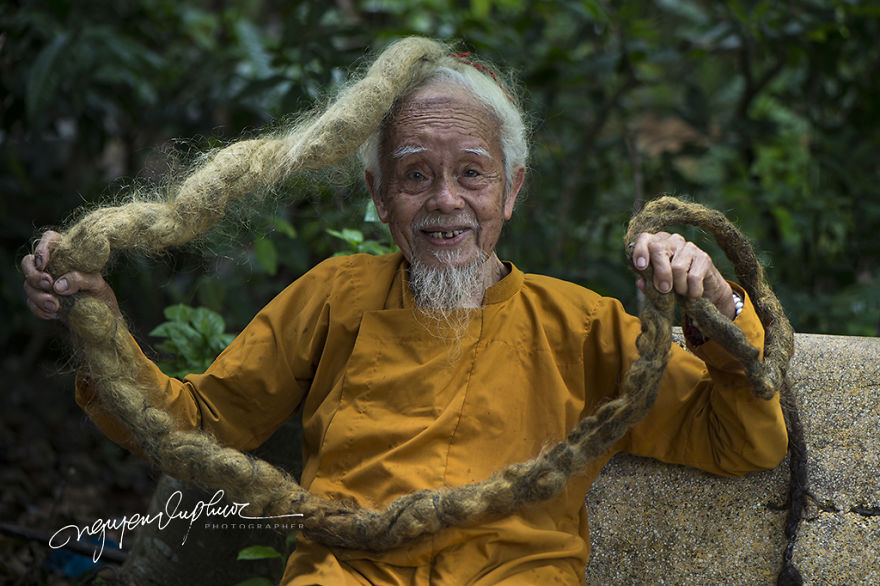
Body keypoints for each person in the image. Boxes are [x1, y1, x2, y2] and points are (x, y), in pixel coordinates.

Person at [22, 38, 787, 585]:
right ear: (380, 197)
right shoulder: (334, 296)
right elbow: (197, 427)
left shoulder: (581, 326)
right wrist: (99, 322)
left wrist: (716, 307)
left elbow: (739, 438)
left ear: (512, 189)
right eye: (415, 175)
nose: (445, 200)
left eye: (472, 174)